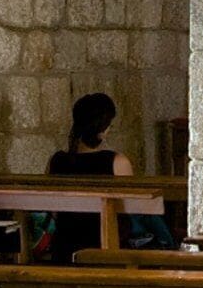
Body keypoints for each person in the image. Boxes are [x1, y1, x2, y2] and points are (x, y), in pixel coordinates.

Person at [36, 92, 172, 258]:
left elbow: (52, 211)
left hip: (64, 247)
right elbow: (131, 212)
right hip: (108, 248)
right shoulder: (117, 162)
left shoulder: (56, 161)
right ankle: (173, 249)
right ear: (104, 129)